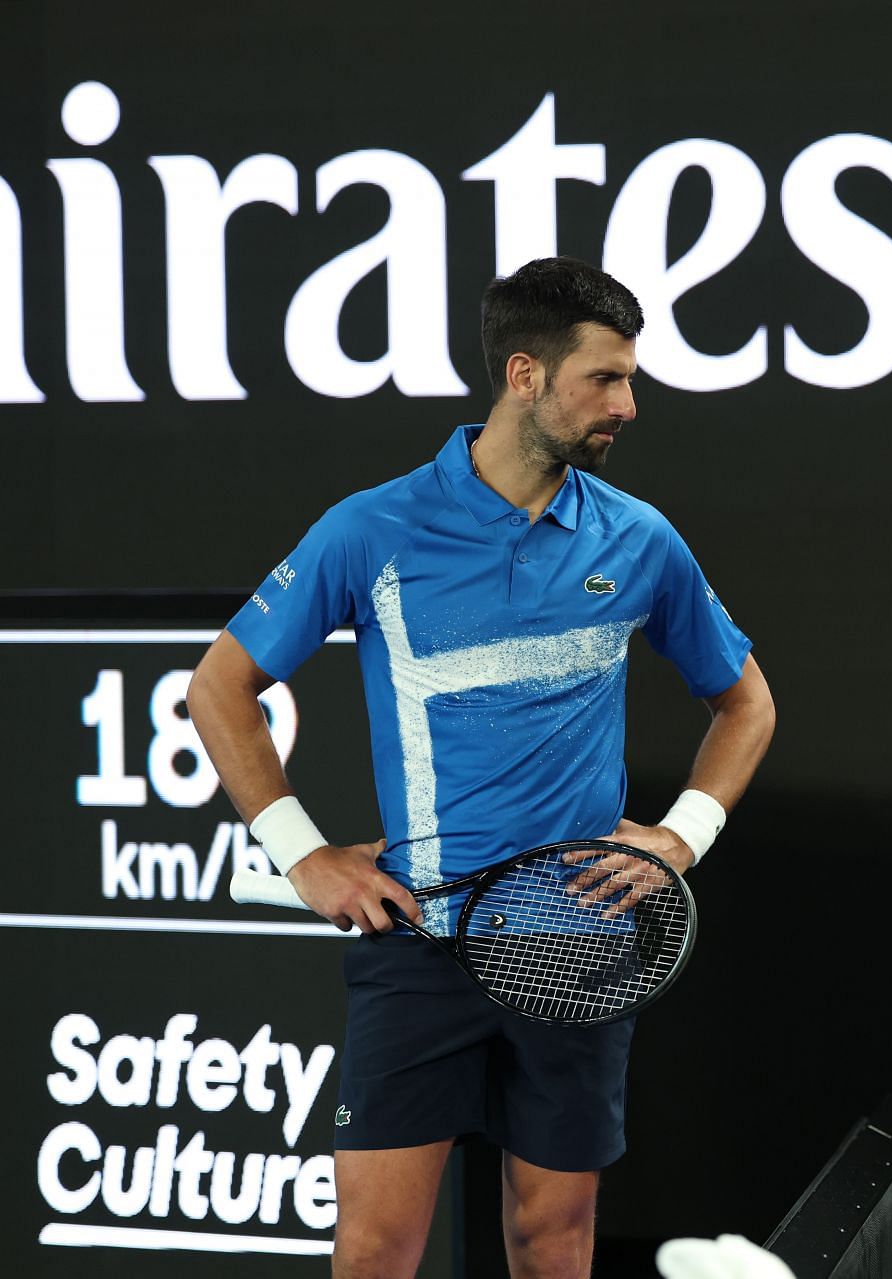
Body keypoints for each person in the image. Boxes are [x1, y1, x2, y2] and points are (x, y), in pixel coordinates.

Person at [186, 256, 775, 1279]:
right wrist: (304, 854)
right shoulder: (372, 528)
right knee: (376, 1251)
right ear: (524, 376)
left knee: (554, 1242)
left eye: (631, 379)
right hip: (418, 945)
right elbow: (219, 687)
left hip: (576, 943)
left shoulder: (640, 540)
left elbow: (745, 701)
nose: (628, 405)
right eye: (605, 378)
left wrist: (683, 835)